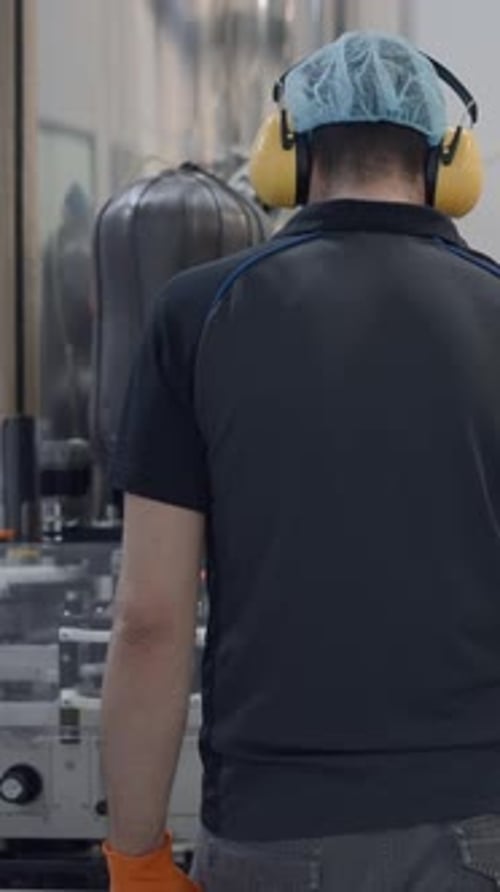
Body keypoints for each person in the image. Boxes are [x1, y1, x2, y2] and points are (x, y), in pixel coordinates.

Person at [101, 31, 500, 892]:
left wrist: (135, 858)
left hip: (276, 833)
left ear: (285, 154)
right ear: (450, 162)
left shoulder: (196, 314)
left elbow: (150, 621)